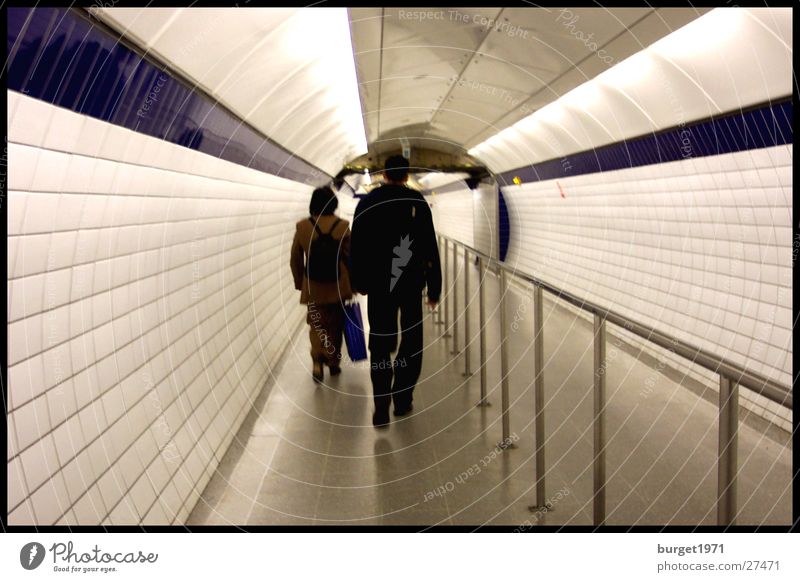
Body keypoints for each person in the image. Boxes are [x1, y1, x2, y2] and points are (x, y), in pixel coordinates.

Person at [350, 155, 442, 427]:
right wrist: (434, 287)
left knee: (379, 342)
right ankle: (402, 398)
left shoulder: (368, 202)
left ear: (384, 174)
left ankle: (381, 403)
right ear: (406, 175)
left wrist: (359, 282)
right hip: (411, 283)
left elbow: (357, 246)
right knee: (411, 340)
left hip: (379, 284)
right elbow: (429, 247)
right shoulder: (417, 202)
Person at [290, 186, 353, 382]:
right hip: (337, 286)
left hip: (313, 286)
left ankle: (317, 360)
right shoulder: (342, 226)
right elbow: (350, 257)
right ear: (333, 203)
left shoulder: (303, 226)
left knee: (316, 324)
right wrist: (354, 284)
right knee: (335, 325)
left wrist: (300, 282)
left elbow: (295, 258)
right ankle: (333, 362)